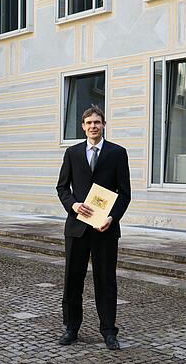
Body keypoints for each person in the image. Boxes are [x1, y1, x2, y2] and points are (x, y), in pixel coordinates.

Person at [55, 105, 131, 350]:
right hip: (77, 227)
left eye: (97, 122)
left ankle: (109, 331)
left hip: (104, 229)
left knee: (106, 281)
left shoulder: (118, 153)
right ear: (83, 126)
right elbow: (62, 188)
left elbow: (124, 193)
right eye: (88, 123)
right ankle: (71, 328)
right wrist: (73, 205)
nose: (92, 126)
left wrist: (113, 218)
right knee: (72, 280)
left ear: (104, 124)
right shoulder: (73, 153)